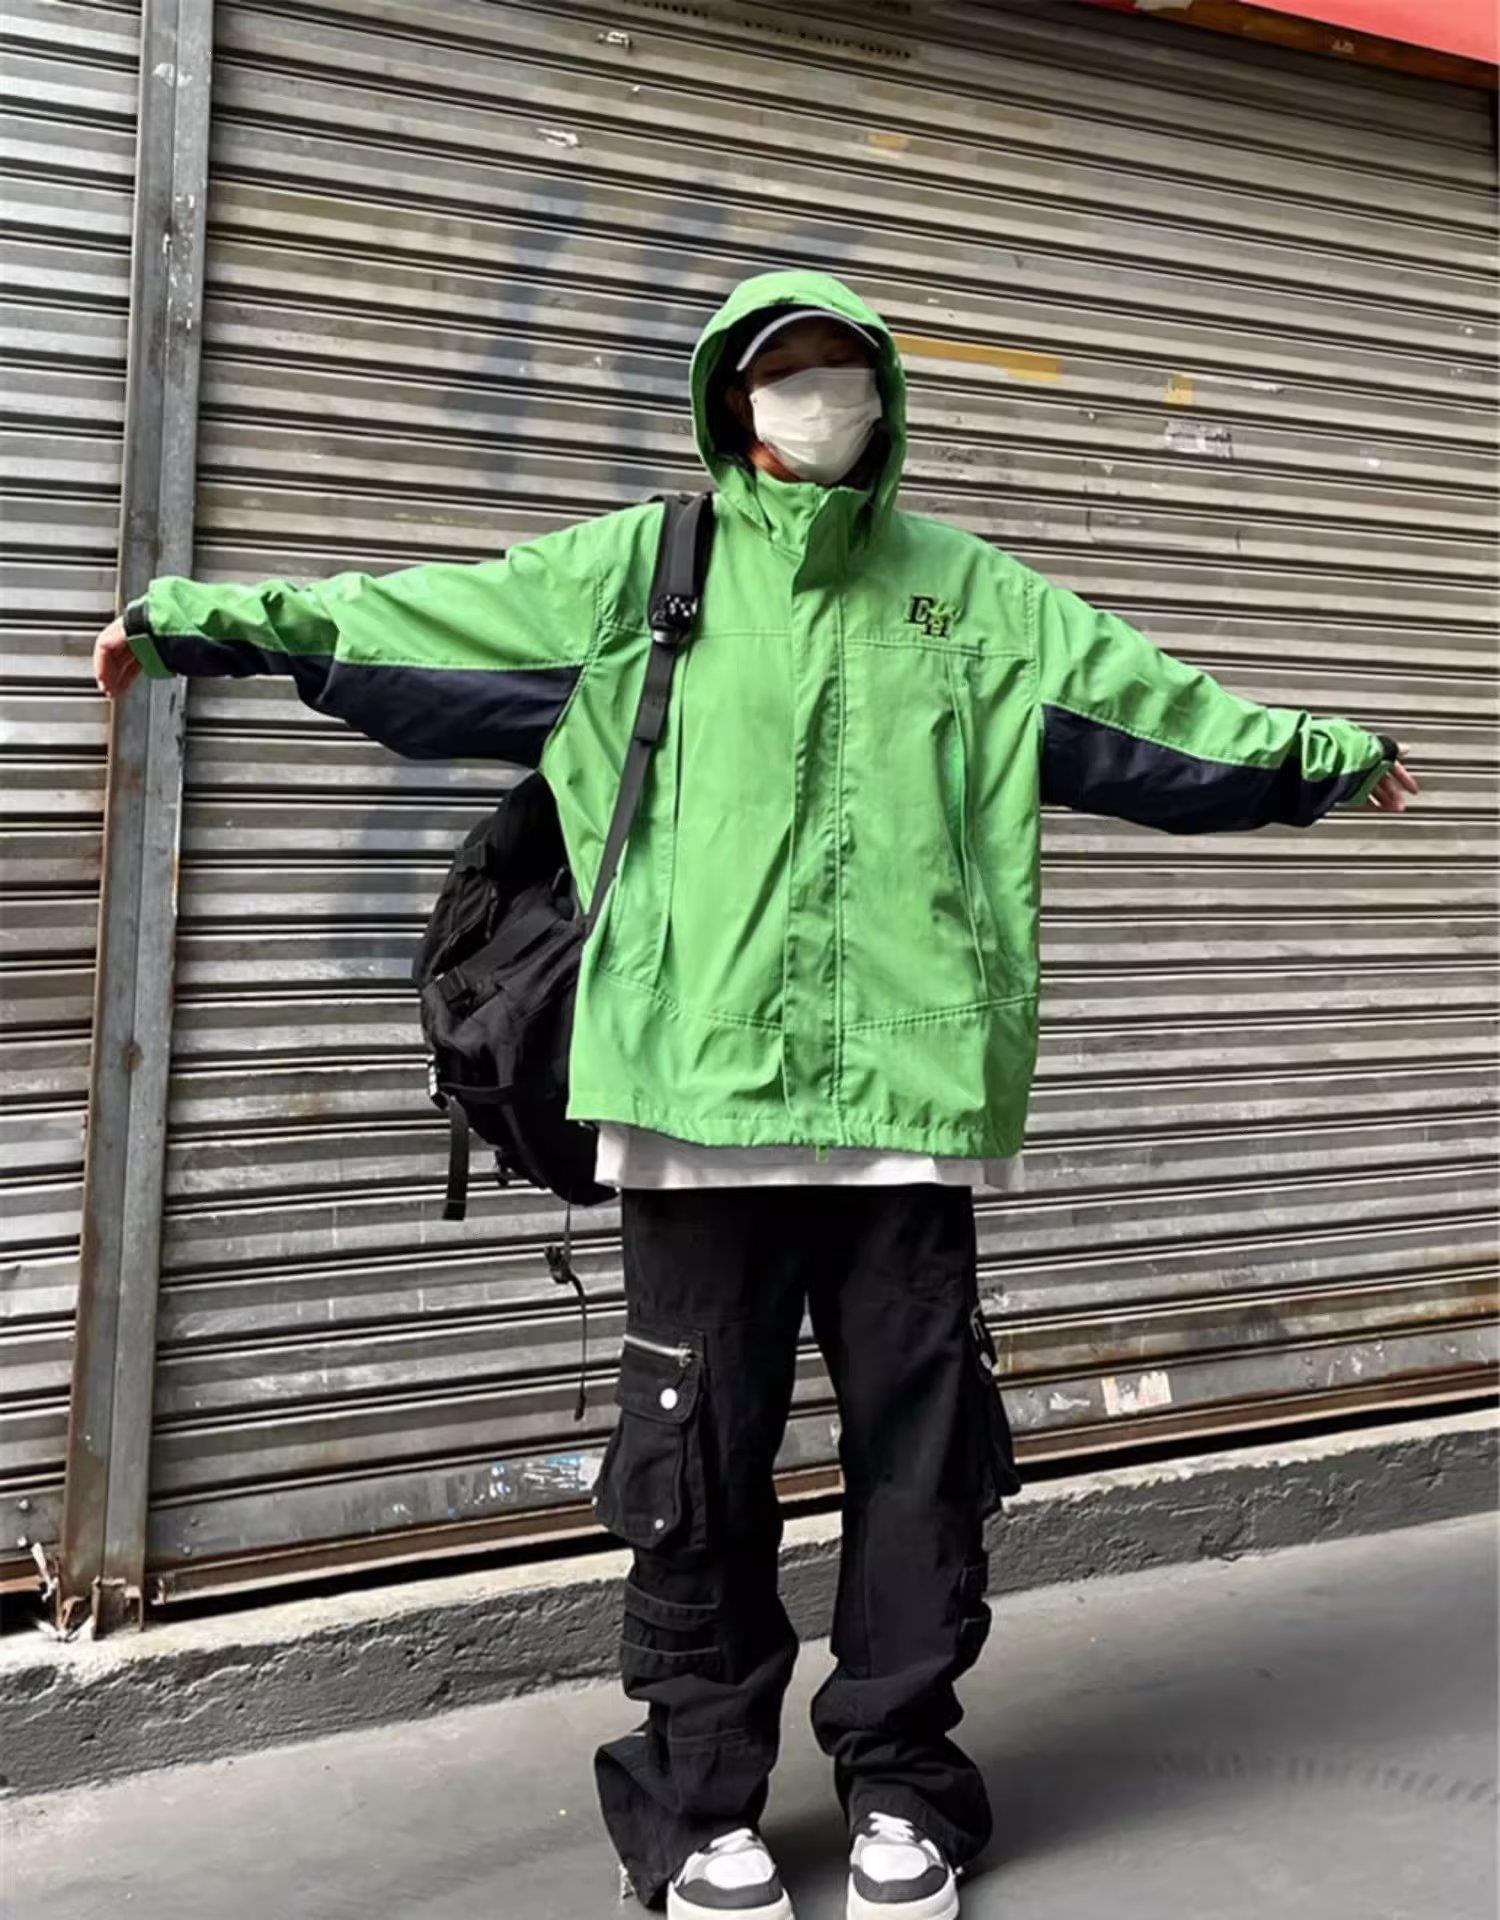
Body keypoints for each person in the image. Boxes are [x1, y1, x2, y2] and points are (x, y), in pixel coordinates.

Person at [93, 268, 1418, 1919]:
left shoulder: (971, 596)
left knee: (925, 1469)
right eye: (787, 371)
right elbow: (409, 617)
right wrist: (201, 620)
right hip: (690, 1110)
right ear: (733, 400)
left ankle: (905, 1784)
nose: (819, 397)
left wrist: (1320, 755)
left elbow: (1161, 717)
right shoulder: (642, 573)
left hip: (903, 1119)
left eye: (844, 369)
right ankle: (695, 1798)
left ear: (884, 398)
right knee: (694, 1472)